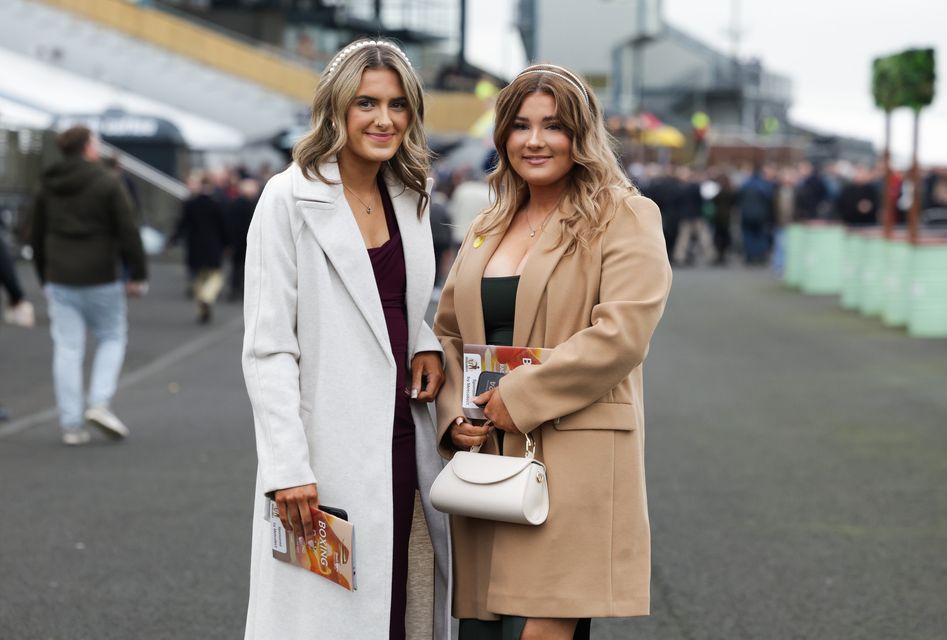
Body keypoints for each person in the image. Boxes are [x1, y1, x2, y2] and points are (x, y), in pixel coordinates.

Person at [433, 63, 673, 640]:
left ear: (581, 135)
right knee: (481, 630)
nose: (535, 141)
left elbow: (621, 335)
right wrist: (453, 418)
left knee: (538, 628)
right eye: (520, 126)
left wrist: (516, 396)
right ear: (502, 137)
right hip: (487, 460)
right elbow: (447, 333)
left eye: (553, 126)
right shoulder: (489, 223)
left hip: (572, 459)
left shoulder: (626, 215)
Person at [241, 38, 451, 640]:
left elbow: (396, 304)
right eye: (366, 103)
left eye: (397, 105)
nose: (384, 119)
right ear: (336, 108)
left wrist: (427, 338)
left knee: (401, 606)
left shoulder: (410, 195)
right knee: (326, 617)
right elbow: (268, 345)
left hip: (403, 436)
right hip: (322, 452)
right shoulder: (288, 198)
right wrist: (286, 466)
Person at [31, 125, 148, 446]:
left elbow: (36, 233)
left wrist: (43, 274)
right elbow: (127, 230)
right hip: (100, 275)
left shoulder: (48, 183)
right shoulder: (107, 182)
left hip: (59, 275)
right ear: (88, 149)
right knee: (112, 336)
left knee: (68, 348)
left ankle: (71, 425)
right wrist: (137, 273)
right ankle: (99, 402)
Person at [172, 173, 230, 323]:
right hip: (213, 246)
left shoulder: (190, 204)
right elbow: (224, 227)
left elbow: (182, 224)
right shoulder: (218, 204)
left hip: (194, 246)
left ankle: (200, 309)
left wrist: (173, 239)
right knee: (216, 276)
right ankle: (207, 297)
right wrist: (228, 243)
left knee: (198, 278)